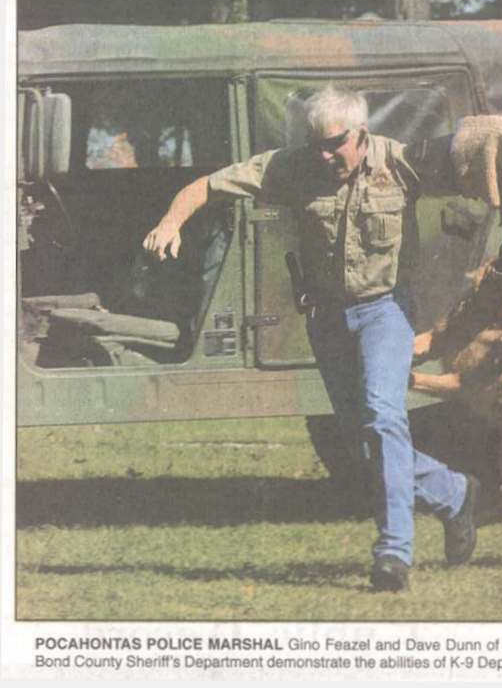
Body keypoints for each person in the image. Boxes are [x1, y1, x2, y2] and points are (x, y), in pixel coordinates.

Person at [143, 87, 478, 592]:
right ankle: (454, 494)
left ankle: (393, 555)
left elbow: (480, 162)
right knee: (363, 446)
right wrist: (171, 222)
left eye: (334, 144)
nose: (324, 155)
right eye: (315, 144)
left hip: (384, 310)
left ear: (361, 134)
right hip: (327, 318)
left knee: (383, 416)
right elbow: (206, 186)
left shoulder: (401, 162)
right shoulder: (292, 167)